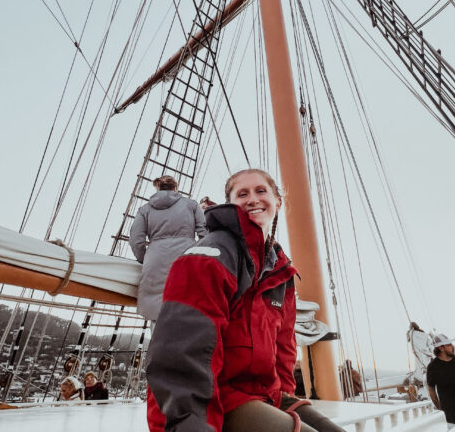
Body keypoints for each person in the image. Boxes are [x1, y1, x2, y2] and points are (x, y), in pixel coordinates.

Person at [146, 169, 345, 432]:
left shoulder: (280, 270)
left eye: (261, 191)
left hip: (267, 393)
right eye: (242, 194)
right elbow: (179, 354)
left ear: (278, 202)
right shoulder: (210, 257)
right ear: (230, 203)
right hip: (221, 396)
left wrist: (282, 395)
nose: (252, 199)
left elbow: (282, 348)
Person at [129, 175, 207, 321]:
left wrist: (143, 259)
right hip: (186, 257)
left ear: (157, 188)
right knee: (187, 305)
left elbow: (136, 241)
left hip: (155, 260)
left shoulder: (144, 210)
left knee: (156, 312)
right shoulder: (191, 205)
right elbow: (205, 233)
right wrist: (198, 253)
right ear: (175, 188)